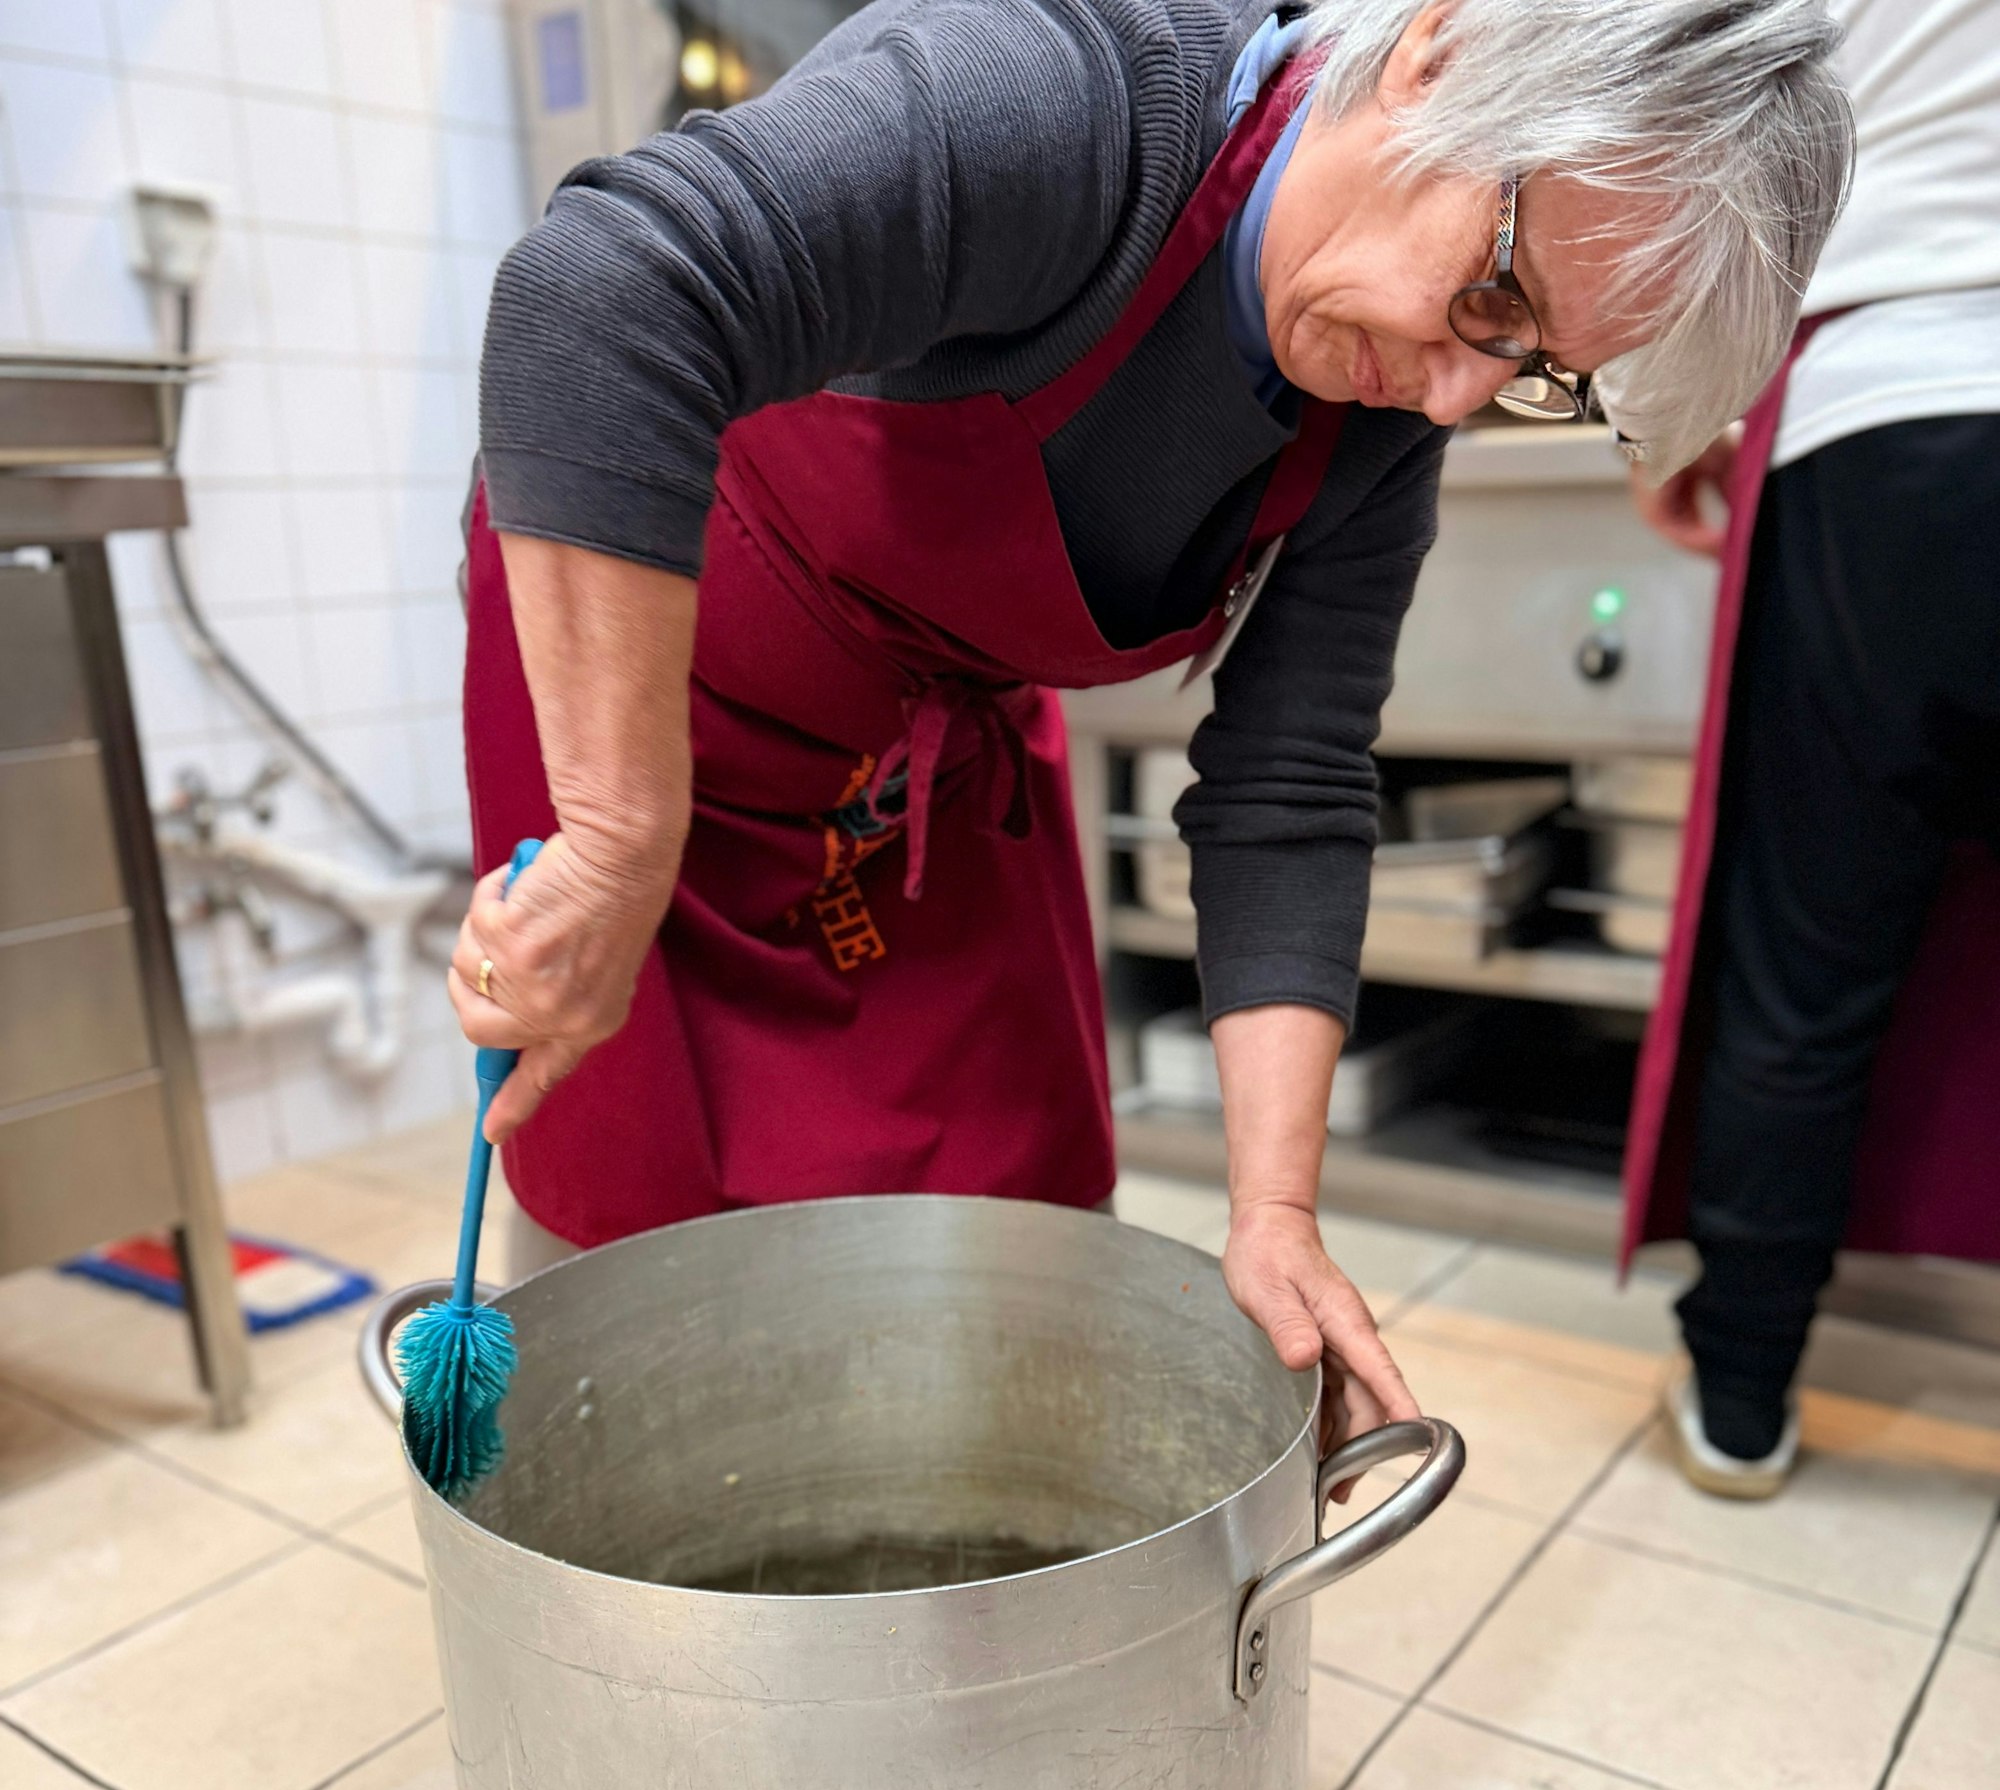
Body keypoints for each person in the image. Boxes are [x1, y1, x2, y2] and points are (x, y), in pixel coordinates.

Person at [451, 0, 1850, 1461]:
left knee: (1014, 1212)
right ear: (1441, 53)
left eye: (1534, 371)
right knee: (640, 1246)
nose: (1458, 391)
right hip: (648, 708)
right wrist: (619, 841)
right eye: (1498, 299)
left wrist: (1276, 1213)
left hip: (920, 764)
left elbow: (1289, 784)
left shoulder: (1378, 421)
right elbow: (601, 292)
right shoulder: (1065, 100)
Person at [1627, 0, 2000, 1499]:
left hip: (1882, 418)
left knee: (1811, 964)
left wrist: (1669, 419)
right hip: (1889, 391)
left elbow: (1695, 113)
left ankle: (1739, 1397)